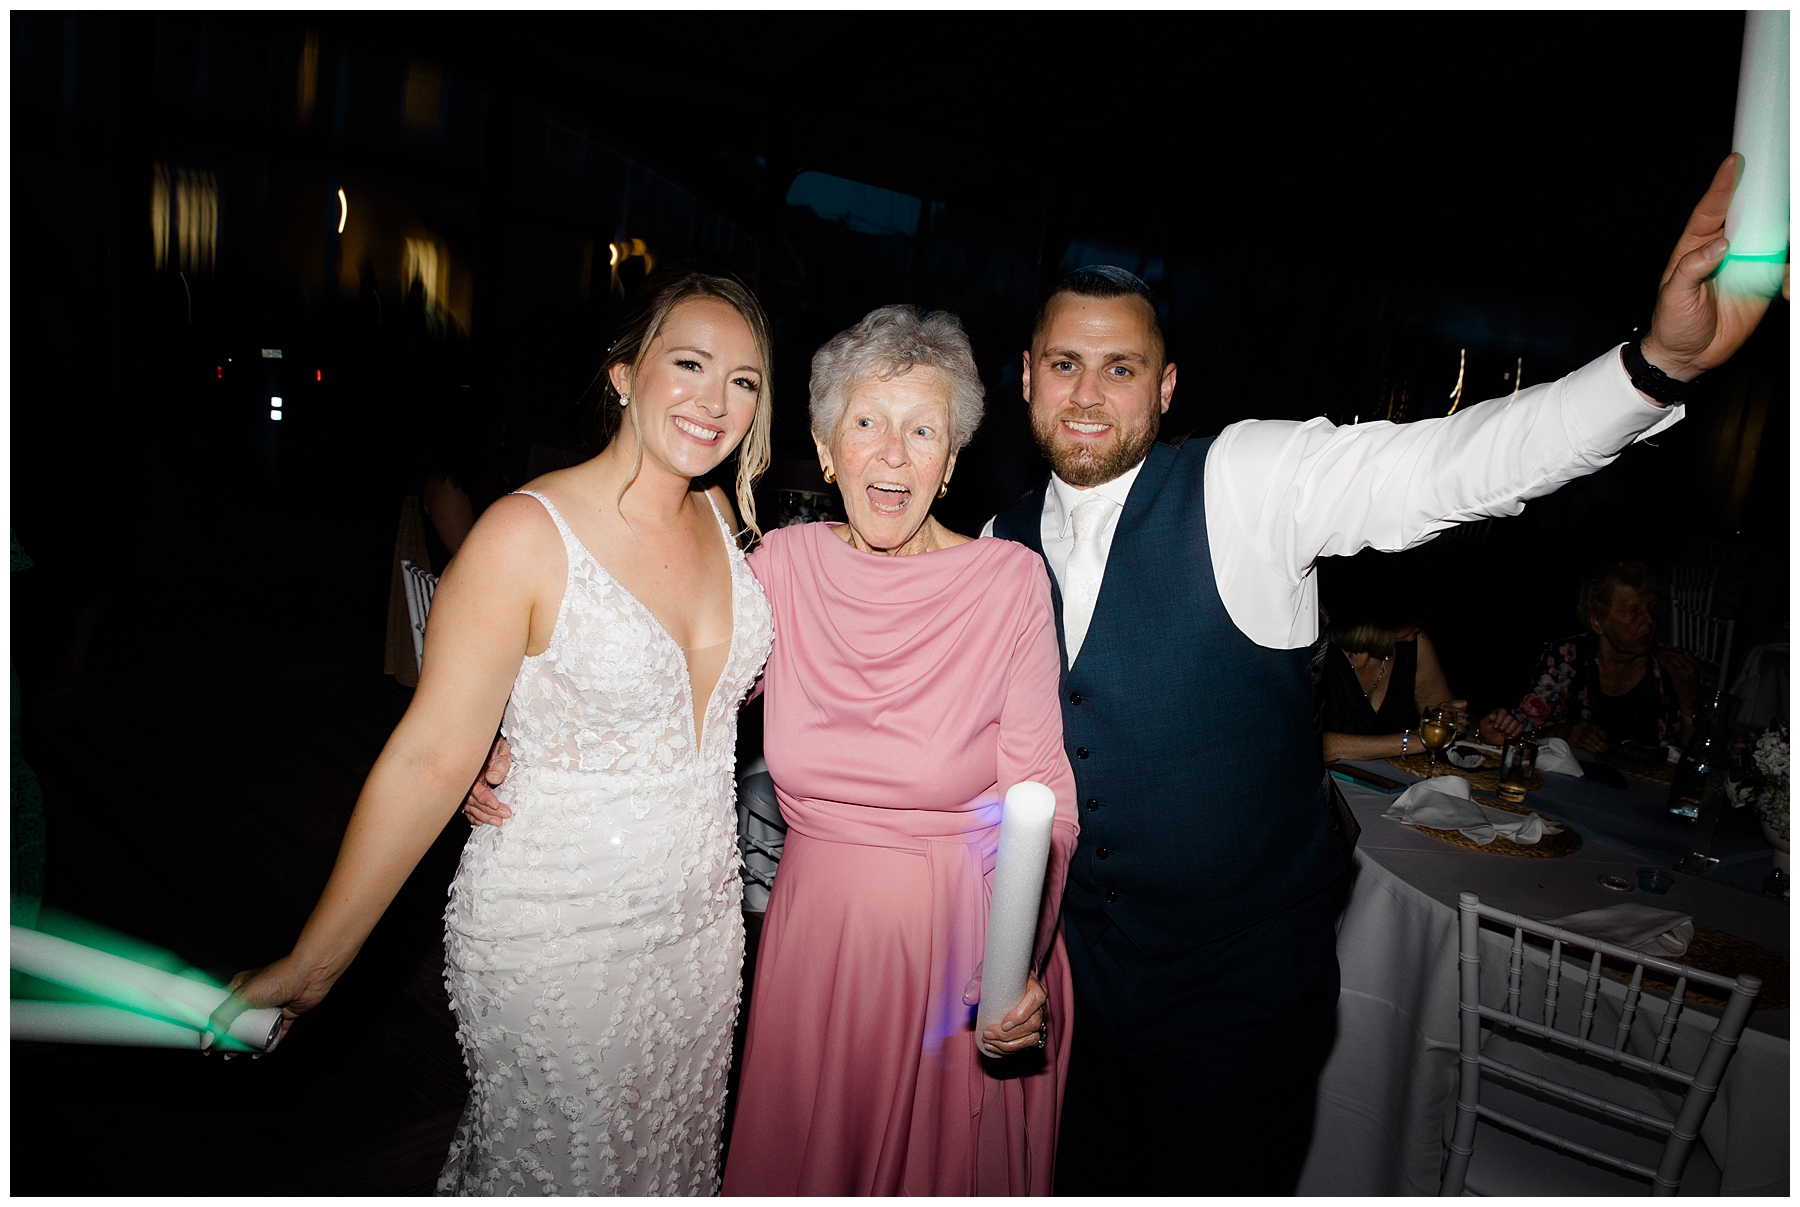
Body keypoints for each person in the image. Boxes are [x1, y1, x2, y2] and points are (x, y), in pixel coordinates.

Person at [980, 155, 1778, 1194]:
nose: (1089, 394)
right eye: (1067, 364)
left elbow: (1452, 465)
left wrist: (1650, 368)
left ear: (1166, 385)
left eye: (1121, 367)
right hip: (1075, 980)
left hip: (1237, 988)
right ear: (1028, 372)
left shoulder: (1247, 481)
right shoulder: (995, 546)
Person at [471, 305, 1078, 1195]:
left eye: (922, 431)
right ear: (828, 451)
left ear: (951, 464)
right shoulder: (783, 569)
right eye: (866, 423)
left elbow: (1046, 796)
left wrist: (1017, 959)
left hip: (961, 950)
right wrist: (502, 730)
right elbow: (663, 680)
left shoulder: (1010, 583)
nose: (894, 452)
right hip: (815, 948)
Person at [213, 268, 778, 1195]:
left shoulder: (723, 517)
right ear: (624, 374)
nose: (716, 401)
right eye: (689, 363)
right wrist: (313, 966)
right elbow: (432, 753)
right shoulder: (525, 534)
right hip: (558, 935)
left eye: (745, 380)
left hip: (702, 937)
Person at [1515, 560, 1699, 754]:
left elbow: (1694, 756)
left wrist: (1689, 702)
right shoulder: (1566, 659)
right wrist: (1562, 733)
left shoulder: (1667, 668)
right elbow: (1519, 737)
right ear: (1597, 623)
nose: (1649, 619)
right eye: (1634, 610)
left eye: (1652, 607)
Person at [1319, 620, 1523, 762]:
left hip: (1385, 786)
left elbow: (1449, 723)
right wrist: (1416, 741)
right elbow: (1308, 746)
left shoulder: (1413, 642)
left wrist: (1480, 735)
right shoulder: (1317, 648)